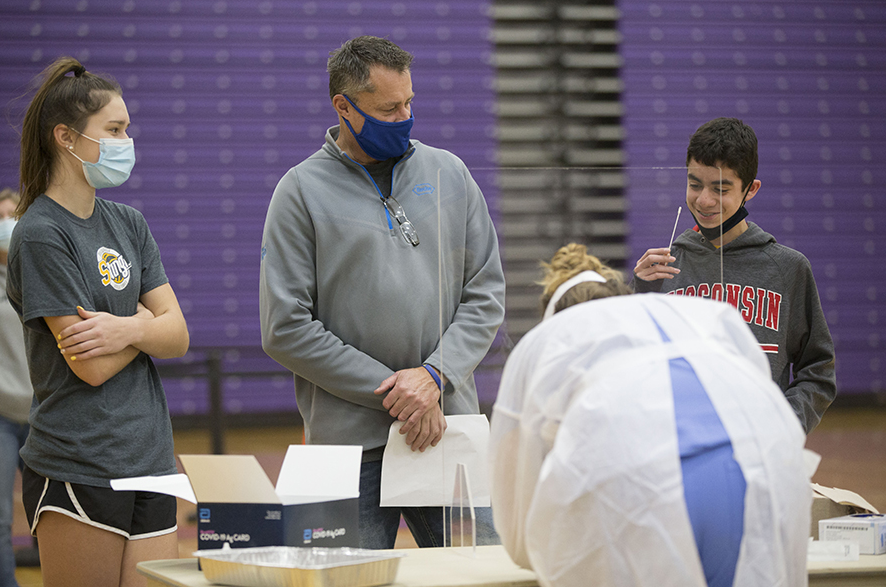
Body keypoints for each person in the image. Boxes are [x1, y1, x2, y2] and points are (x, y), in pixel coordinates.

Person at [260, 35, 505, 549]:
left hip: (444, 428)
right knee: (334, 585)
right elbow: (285, 328)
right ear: (343, 107)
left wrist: (435, 377)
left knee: (484, 577)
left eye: (409, 103)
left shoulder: (451, 174)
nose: (405, 117)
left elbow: (485, 294)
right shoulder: (299, 191)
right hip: (345, 446)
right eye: (388, 109)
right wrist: (401, 393)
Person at [490, 243, 810, 587]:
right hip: (771, 461)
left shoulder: (551, 342)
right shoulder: (685, 319)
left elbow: (520, 531)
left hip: (646, 488)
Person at [5, 57, 190, 587]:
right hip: (78, 462)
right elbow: (91, 366)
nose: (125, 140)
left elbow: (177, 335)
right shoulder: (41, 233)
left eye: (126, 128)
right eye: (113, 130)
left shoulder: (129, 222)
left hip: (152, 456)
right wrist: (145, 321)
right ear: (66, 138)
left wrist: (129, 328)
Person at [632, 117, 836, 434]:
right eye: (694, 184)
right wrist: (640, 293)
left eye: (721, 188)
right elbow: (632, 366)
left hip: (758, 452)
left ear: (750, 190)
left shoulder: (788, 268)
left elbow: (818, 369)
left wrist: (786, 427)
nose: (704, 200)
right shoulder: (663, 268)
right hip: (677, 449)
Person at [0, 189, 33, 587]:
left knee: (51, 516)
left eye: (11, 214)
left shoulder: (40, 275)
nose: (4, 222)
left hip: (41, 415)